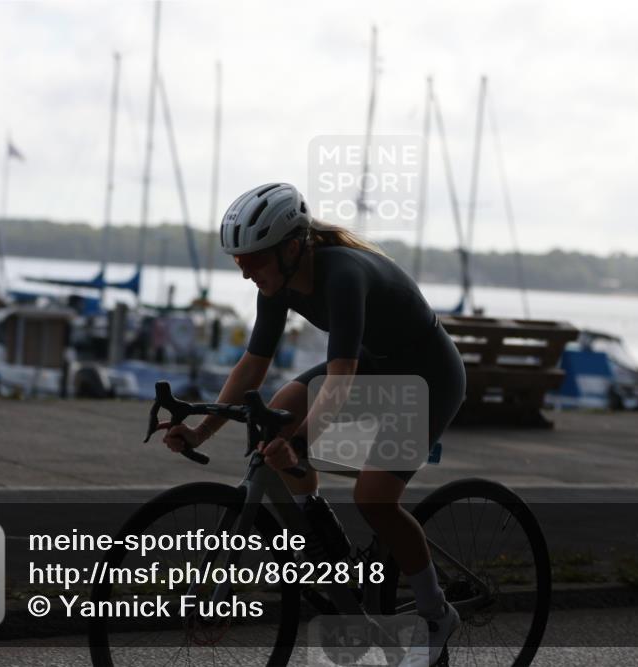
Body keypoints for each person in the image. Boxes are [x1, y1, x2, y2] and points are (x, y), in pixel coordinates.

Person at [162, 182, 466, 665]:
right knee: (280, 407)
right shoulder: (277, 282)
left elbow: (340, 379)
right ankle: (324, 540)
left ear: (291, 247)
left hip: (428, 378)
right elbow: (251, 366)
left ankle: (435, 613)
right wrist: (201, 428)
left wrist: (300, 443)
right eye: (237, 261)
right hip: (375, 365)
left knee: (374, 497)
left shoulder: (343, 275)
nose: (245, 273)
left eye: (253, 260)